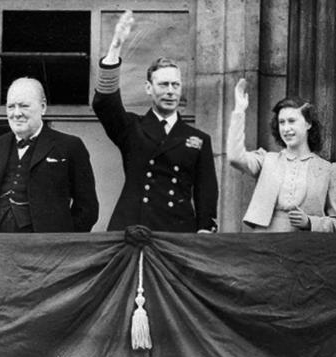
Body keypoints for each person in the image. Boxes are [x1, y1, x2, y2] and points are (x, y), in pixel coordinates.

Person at [92, 10, 218, 233]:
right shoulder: (131, 128)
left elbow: (205, 191)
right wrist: (116, 46)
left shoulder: (198, 139)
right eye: (163, 85)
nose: (170, 91)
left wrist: (205, 229)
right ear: (149, 88)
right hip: (133, 229)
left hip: (178, 232)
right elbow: (105, 104)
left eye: (175, 85)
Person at [0, 77, 98, 233]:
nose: (16, 113)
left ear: (43, 107)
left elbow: (87, 208)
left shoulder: (69, 146)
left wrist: (63, 242)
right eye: (11, 106)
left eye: (24, 106)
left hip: (44, 248)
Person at [227, 79, 336, 232]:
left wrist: (311, 222)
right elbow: (234, 157)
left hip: (305, 248)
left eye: (292, 121)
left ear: (308, 124)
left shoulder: (327, 170)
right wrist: (239, 110)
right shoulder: (267, 160)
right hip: (265, 243)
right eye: (281, 122)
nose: (286, 128)